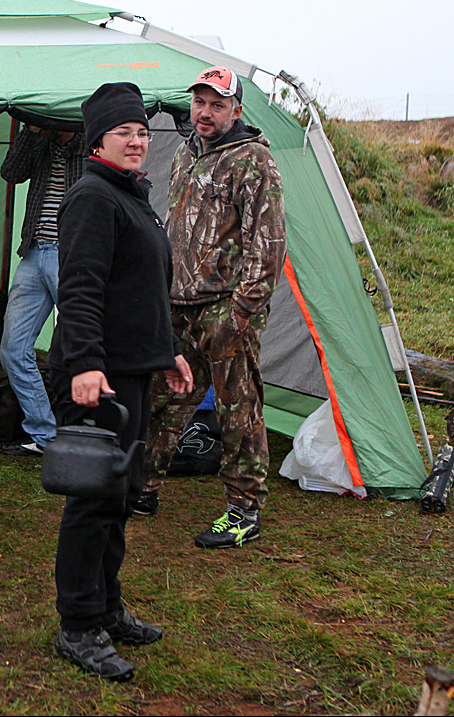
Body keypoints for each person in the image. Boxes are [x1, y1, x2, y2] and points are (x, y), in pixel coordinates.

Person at [48, 82, 193, 681]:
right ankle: (79, 626)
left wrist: (168, 353)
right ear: (98, 140)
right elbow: (80, 285)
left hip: (129, 369)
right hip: (95, 375)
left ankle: (106, 608)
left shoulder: (131, 195)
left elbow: (142, 290)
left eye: (140, 131)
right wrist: (84, 363)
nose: (136, 140)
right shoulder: (91, 198)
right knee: (93, 503)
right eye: (122, 132)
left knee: (121, 498)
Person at [139, 65, 286, 549]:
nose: (205, 112)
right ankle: (141, 490)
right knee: (164, 401)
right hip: (179, 306)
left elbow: (268, 244)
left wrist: (242, 311)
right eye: (199, 102)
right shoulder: (186, 153)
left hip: (226, 310)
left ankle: (243, 511)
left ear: (236, 111)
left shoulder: (253, 162)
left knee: (236, 412)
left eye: (217, 104)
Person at [0, 122, 84, 456]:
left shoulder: (88, 142)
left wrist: (66, 134)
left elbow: (86, 158)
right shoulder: (39, 142)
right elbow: (11, 172)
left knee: (82, 346)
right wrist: (33, 131)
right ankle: (44, 435)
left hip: (71, 254)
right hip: (34, 251)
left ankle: (88, 434)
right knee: (13, 349)